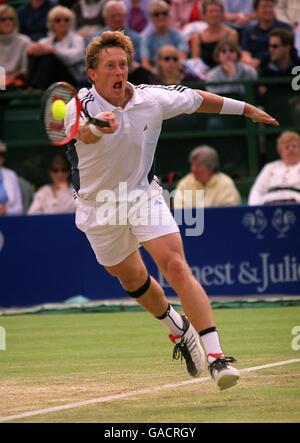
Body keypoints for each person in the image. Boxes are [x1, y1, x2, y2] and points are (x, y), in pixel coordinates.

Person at [64, 30, 278, 390]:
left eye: (123, 64)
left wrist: (245, 109)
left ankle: (216, 356)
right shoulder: (80, 106)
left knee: (176, 264)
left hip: (142, 195)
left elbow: (198, 98)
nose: (119, 71)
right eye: (110, 66)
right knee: (130, 278)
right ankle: (177, 329)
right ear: (92, 74)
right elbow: (82, 133)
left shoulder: (152, 98)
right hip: (98, 207)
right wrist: (100, 127)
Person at [26, 5, 85, 89]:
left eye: (66, 20)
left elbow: (75, 57)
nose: (62, 23)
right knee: (34, 54)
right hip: (50, 78)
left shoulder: (77, 39)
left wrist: (54, 51)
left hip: (71, 77)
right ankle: (30, 85)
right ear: (51, 23)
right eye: (58, 20)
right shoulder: (45, 41)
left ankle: (37, 89)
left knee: (48, 58)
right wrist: (33, 49)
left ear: (71, 22)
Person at [174, 145, 241, 208]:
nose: (193, 169)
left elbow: (230, 211)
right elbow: (177, 210)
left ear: (211, 167)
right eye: (192, 165)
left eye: (198, 166)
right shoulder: (184, 183)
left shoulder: (225, 183)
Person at [248, 131, 300, 206]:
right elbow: (257, 190)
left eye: (294, 146)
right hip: (269, 204)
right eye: (287, 147)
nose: (291, 149)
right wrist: (255, 208)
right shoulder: (270, 167)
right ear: (280, 150)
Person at [241, 0, 292, 70]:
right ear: (256, 11)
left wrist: (260, 60)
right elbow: (245, 52)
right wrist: (250, 62)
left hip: (280, 69)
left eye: (270, 6)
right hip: (256, 69)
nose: (268, 10)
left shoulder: (285, 28)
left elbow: (287, 50)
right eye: (264, 7)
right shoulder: (249, 31)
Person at [141, 0, 188, 73]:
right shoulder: (146, 39)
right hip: (155, 76)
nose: (161, 17)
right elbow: (145, 64)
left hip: (176, 74)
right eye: (157, 14)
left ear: (169, 15)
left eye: (164, 13)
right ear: (151, 18)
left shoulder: (179, 36)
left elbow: (182, 59)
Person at [191, 0, 238, 70]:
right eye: (211, 11)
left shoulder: (231, 34)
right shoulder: (198, 37)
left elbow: (233, 59)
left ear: (222, 14)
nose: (215, 14)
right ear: (204, 15)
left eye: (217, 11)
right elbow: (195, 63)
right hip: (205, 76)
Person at [0, 4, 31, 89]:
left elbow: (25, 69)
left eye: (11, 19)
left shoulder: (25, 41)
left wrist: (14, 79)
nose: (7, 22)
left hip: (18, 84)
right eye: (3, 19)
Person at [0, 141, 23, 216]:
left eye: (1, 154)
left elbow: (19, 208)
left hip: (9, 222)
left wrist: (6, 210)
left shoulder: (11, 175)